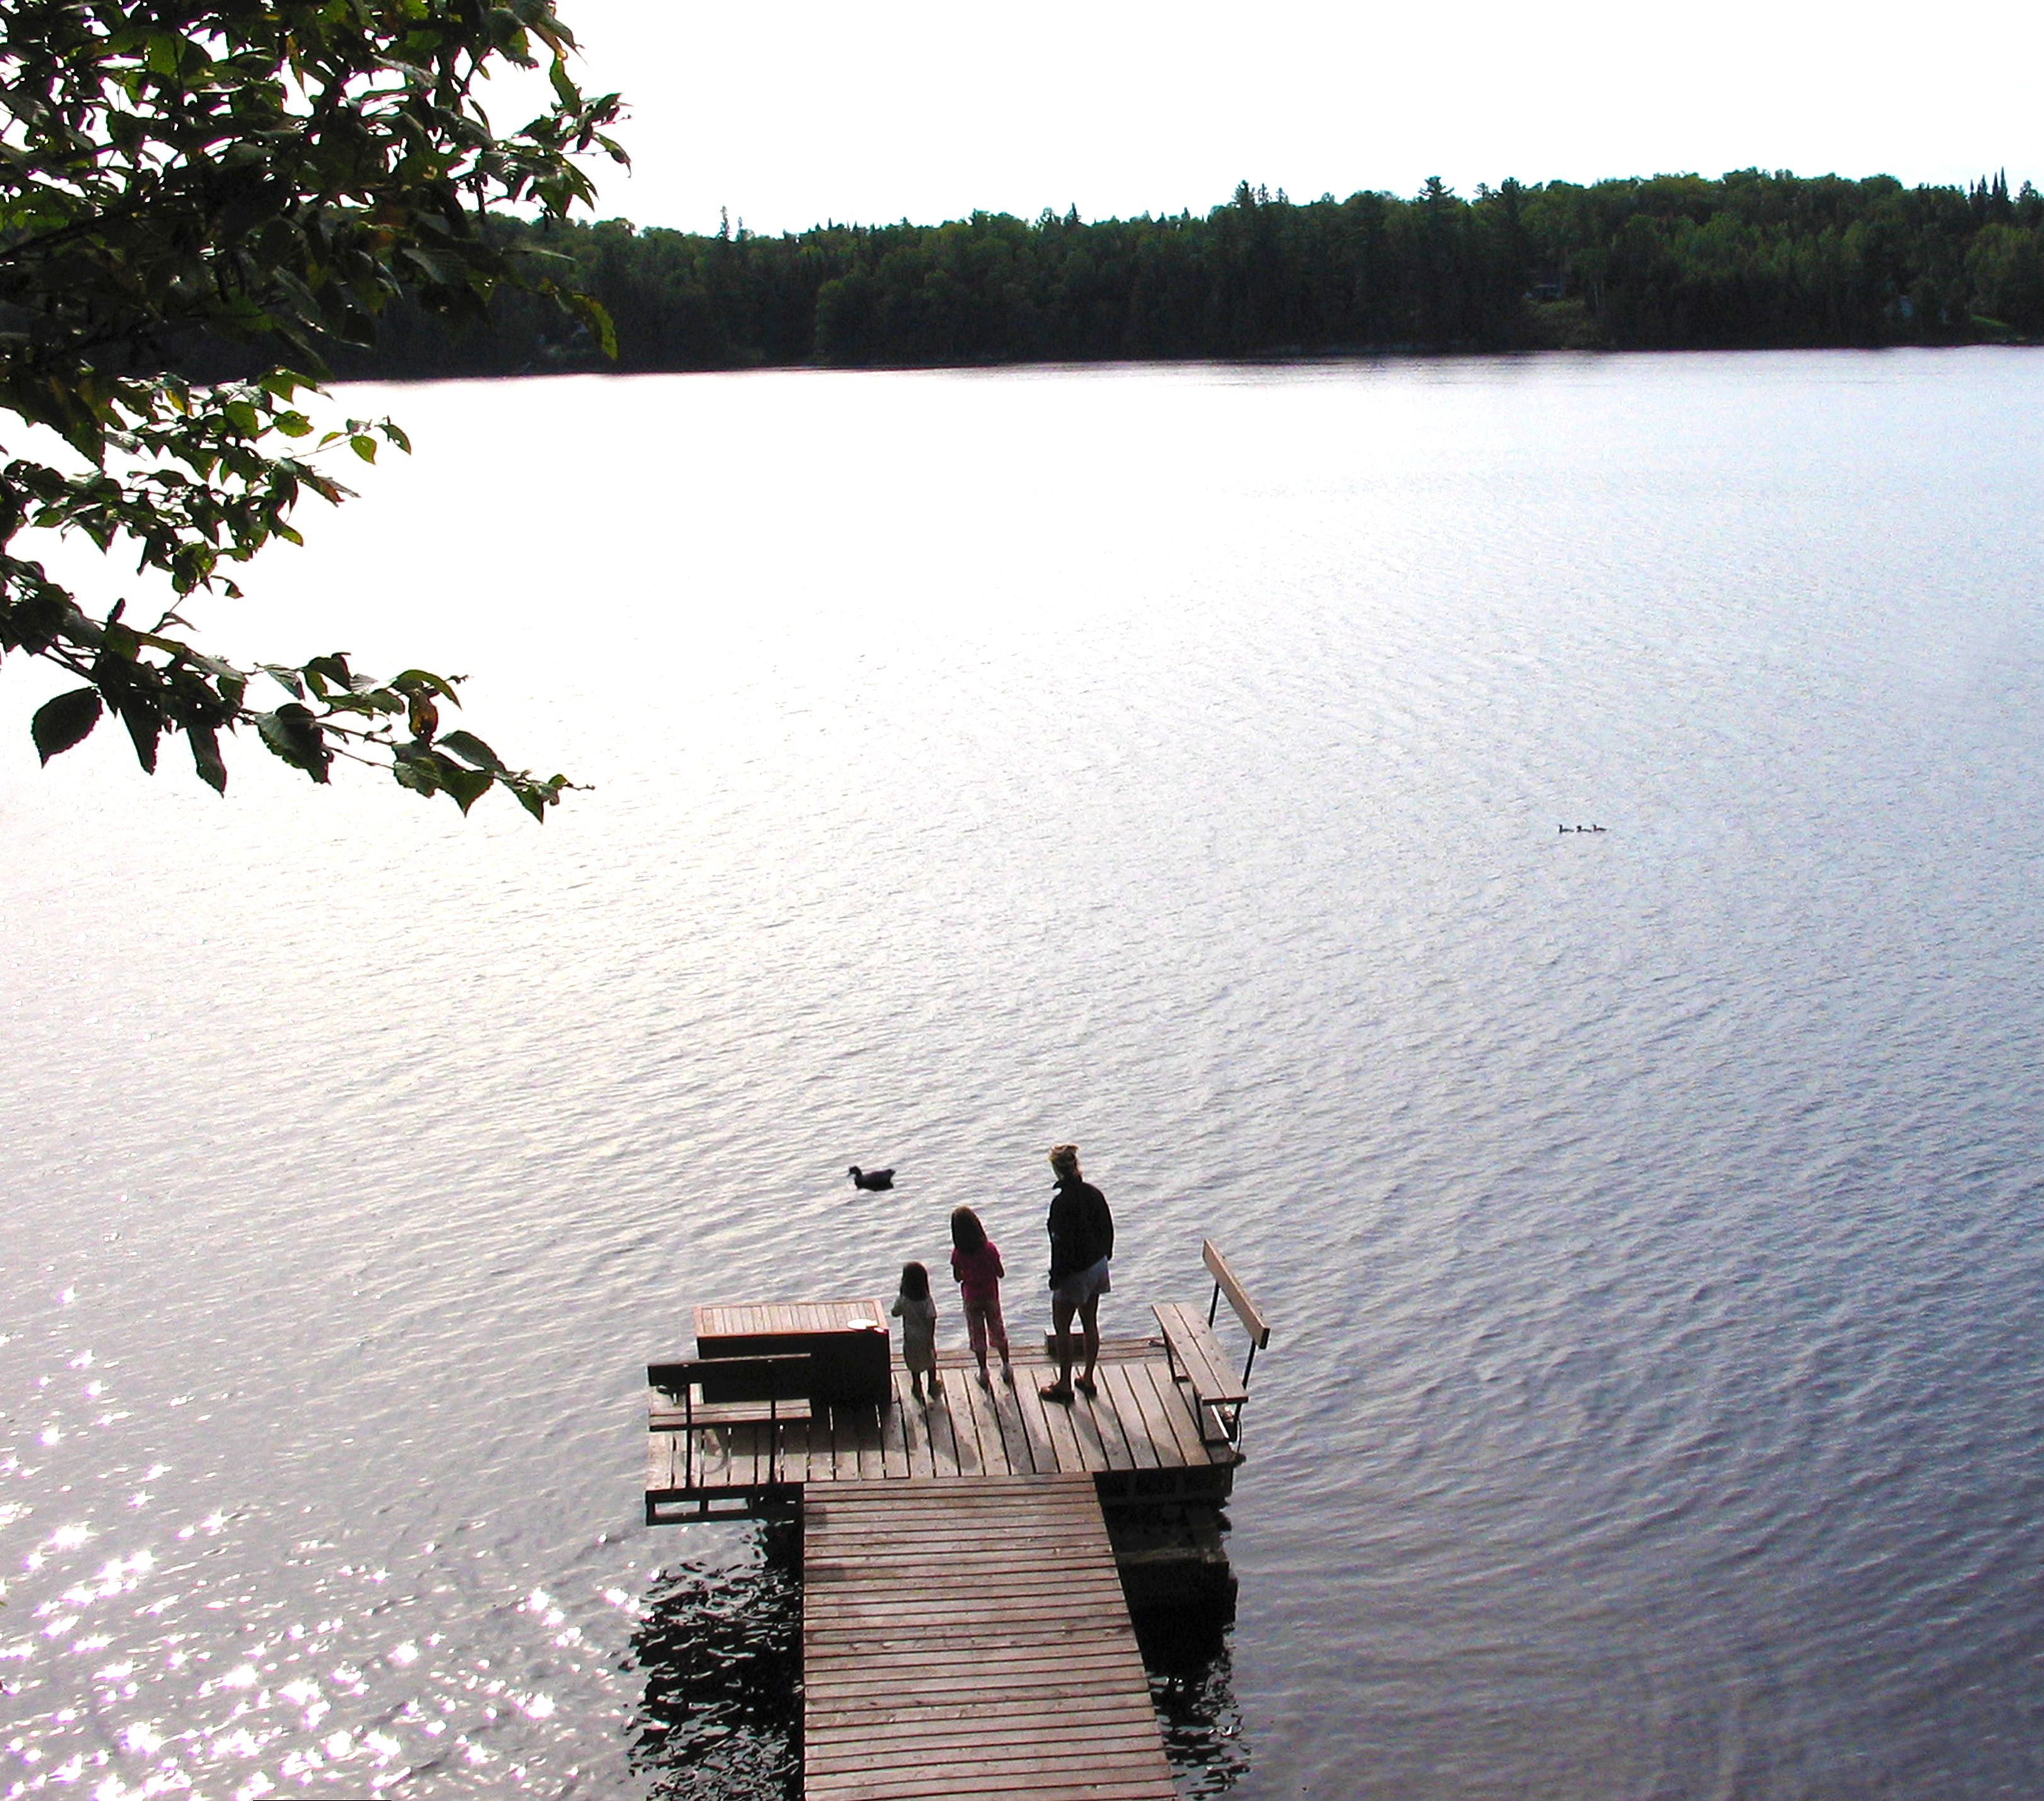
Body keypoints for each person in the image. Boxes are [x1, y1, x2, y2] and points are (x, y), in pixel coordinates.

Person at [1039, 1144, 1113, 1404]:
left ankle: (1064, 1385)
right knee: (1090, 1322)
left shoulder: (1061, 1204)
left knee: (1063, 1326)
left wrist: (1056, 1277)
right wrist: (1105, 1256)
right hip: (1097, 1265)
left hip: (1075, 1272)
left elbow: (1060, 1245)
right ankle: (1089, 1378)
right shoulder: (1094, 1194)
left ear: (1056, 1170)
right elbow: (1108, 1228)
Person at [949, 1205, 1013, 1388]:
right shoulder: (989, 1249)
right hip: (990, 1296)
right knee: (998, 1329)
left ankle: (983, 1371)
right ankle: (1006, 1366)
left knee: (977, 1334)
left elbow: (957, 1277)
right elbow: (1000, 1273)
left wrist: (968, 1274)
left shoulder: (958, 1253)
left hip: (971, 1298)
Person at [891, 1261, 940, 1404]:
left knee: (914, 1362)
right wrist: (931, 1337)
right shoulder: (927, 1300)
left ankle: (917, 1385)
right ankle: (932, 1384)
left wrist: (898, 1298)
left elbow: (895, 1313)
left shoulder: (904, 1299)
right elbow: (932, 1317)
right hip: (925, 1337)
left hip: (910, 1338)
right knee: (931, 1361)